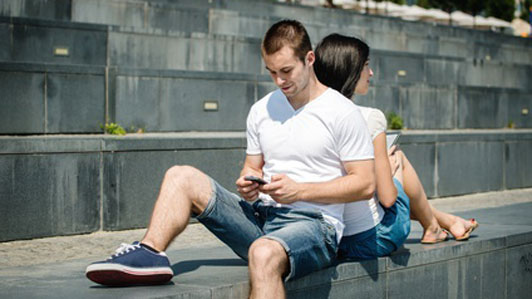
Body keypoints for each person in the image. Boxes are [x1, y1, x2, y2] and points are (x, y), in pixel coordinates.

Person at [85, 20, 376, 298]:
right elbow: (252, 166)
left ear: (309, 59)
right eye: (271, 72)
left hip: (316, 226)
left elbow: (364, 184)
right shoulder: (262, 110)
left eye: (286, 70)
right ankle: (150, 253)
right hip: (263, 218)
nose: (279, 80)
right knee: (181, 176)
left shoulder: (341, 112)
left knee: (263, 253)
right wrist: (247, 183)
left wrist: (300, 191)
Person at [313, 33, 479, 259]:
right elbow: (388, 199)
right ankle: (432, 226)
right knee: (396, 157)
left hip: (329, 238)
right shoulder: (370, 117)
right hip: (372, 239)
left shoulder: (310, 116)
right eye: (366, 66)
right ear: (350, 70)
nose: (371, 73)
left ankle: (442, 222)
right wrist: (389, 173)